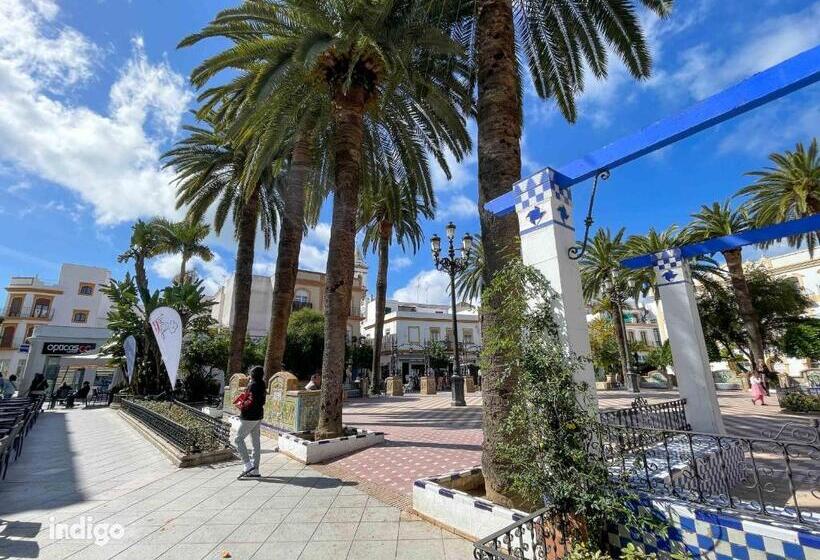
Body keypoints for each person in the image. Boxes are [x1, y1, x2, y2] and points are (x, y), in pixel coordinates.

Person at [235, 366, 266, 479]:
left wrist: (241, 406)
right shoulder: (262, 384)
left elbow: (250, 401)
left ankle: (247, 465)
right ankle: (255, 470)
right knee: (255, 442)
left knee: (238, 439)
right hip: (258, 416)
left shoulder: (252, 385)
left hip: (249, 417)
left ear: (252, 375)